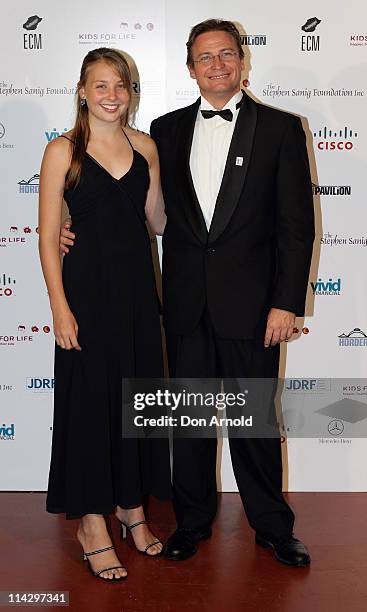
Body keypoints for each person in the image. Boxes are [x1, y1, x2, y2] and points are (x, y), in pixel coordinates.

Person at [61, 19, 315, 567]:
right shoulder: (164, 130)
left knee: (254, 424)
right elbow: (141, 210)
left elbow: (297, 226)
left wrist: (287, 301)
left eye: (227, 54)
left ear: (243, 61)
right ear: (190, 67)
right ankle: (192, 521)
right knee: (192, 427)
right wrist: (65, 224)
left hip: (253, 308)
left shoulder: (280, 129)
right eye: (205, 57)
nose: (217, 64)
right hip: (184, 305)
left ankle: (272, 526)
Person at [39, 47, 171, 582]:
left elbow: (157, 221)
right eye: (101, 85)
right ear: (82, 90)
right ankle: (92, 523)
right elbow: (49, 239)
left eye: (121, 85)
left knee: (135, 401)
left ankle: (131, 509)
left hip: (138, 295)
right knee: (91, 407)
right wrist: (60, 309)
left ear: (130, 92)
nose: (112, 95)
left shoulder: (146, 147)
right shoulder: (62, 151)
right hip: (87, 298)